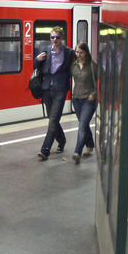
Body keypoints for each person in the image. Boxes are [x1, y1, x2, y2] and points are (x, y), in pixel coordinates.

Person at [34, 27, 76, 160]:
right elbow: (37, 68)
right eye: (52, 37)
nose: (54, 40)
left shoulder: (69, 52)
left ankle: (45, 150)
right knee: (52, 118)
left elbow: (75, 67)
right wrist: (37, 60)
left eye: (57, 37)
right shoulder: (45, 50)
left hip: (61, 89)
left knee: (53, 119)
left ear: (61, 38)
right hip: (47, 88)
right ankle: (62, 140)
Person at [70, 42, 98, 164]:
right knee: (84, 125)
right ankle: (90, 145)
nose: (78, 54)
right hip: (76, 99)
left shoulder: (92, 66)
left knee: (82, 125)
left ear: (86, 52)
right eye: (77, 52)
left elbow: (101, 81)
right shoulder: (74, 65)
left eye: (81, 52)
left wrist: (94, 94)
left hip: (88, 100)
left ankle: (77, 152)